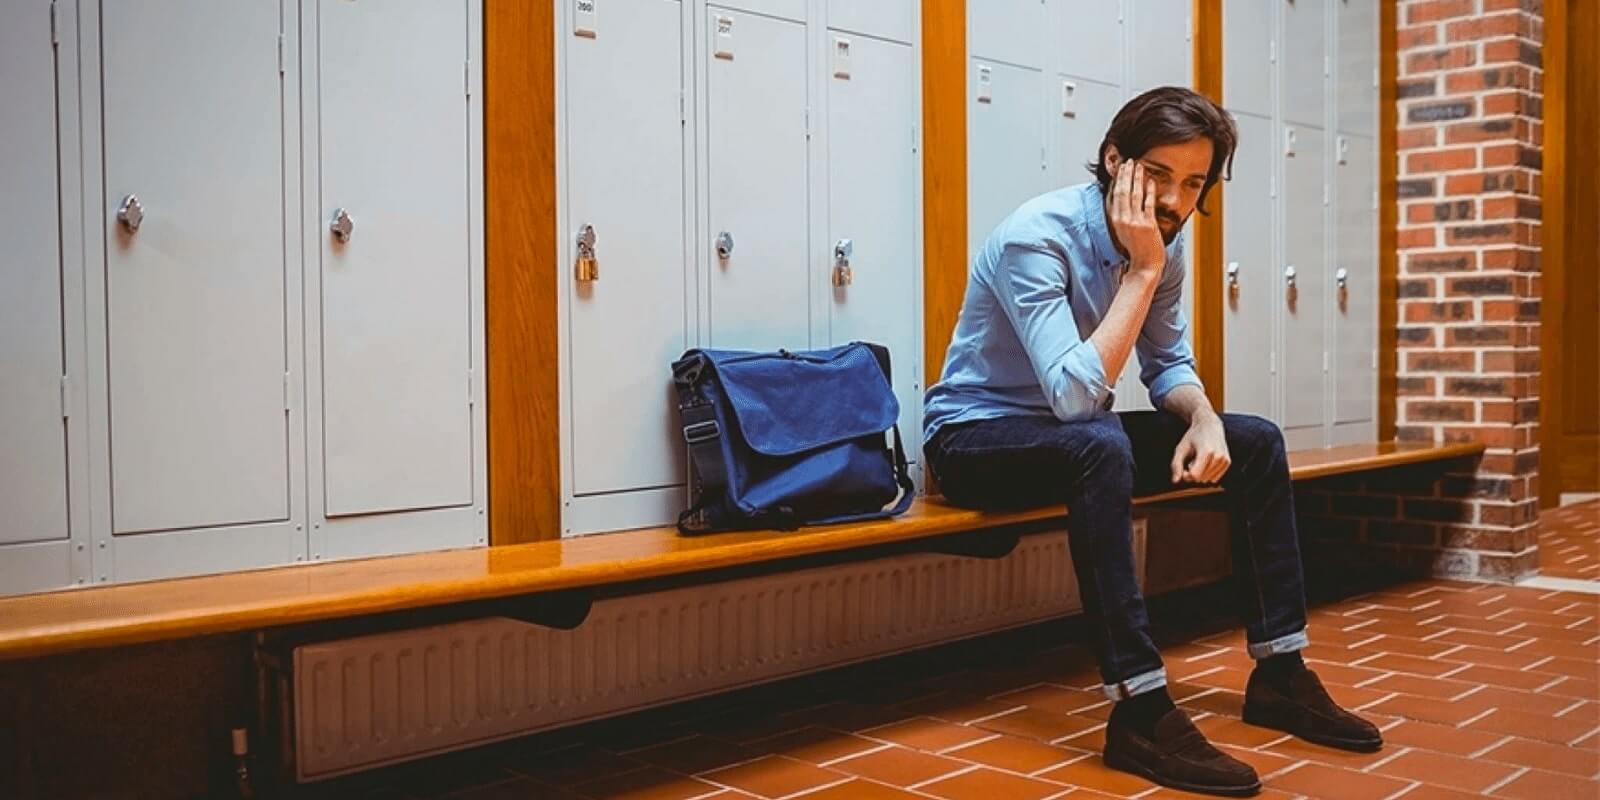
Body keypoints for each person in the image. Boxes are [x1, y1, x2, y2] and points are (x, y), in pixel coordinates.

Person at [922, 86, 1380, 797]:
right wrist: (1142, 269)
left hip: (1072, 440)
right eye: (1160, 176)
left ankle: (1281, 673)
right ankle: (1140, 709)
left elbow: (1166, 364)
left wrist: (1203, 418)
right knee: (1098, 442)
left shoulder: (1166, 244)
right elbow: (1074, 399)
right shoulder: (1035, 237)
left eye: (1194, 185)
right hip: (974, 440)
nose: (1174, 202)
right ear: (1115, 160)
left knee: (1253, 440)